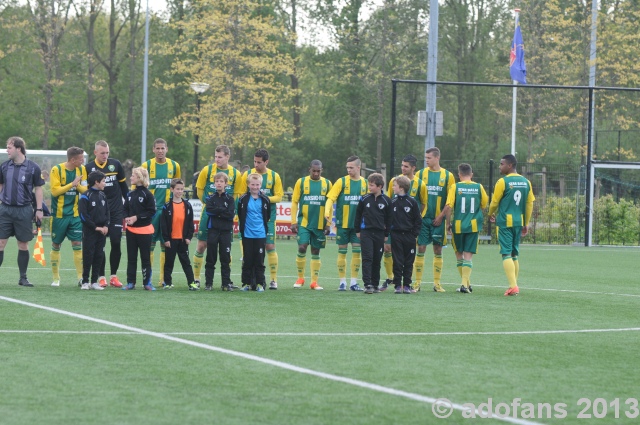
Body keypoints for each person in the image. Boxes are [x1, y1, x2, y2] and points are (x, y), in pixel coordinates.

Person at [192, 145, 242, 288]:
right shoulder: (207, 170)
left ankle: (226, 281)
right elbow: (200, 190)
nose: (217, 159)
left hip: (226, 217)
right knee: (202, 245)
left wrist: (229, 209)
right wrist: (210, 205)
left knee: (225, 250)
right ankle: (196, 279)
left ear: (227, 157)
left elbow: (236, 194)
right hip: (209, 214)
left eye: (220, 157)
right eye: (215, 156)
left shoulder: (235, 174)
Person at [0, 137, 45, 287]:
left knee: (23, 244)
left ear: (18, 148)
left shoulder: (33, 168)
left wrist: (38, 209)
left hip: (24, 210)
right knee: (0, 243)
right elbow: (1, 185)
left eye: (9, 147)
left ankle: (23, 278)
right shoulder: (4, 166)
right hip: (5, 210)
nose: (7, 150)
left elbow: (38, 188)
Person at [488, 154, 535, 296]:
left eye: (501, 164)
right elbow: (529, 204)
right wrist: (526, 222)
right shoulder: (526, 182)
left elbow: (495, 202)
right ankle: (513, 284)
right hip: (518, 222)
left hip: (505, 222)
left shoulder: (502, 182)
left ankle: (513, 286)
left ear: (509, 165)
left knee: (506, 253)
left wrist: (490, 213)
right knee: (514, 254)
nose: (499, 166)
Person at [381, 154, 428, 291]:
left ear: (413, 168)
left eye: (406, 166)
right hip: (395, 231)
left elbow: (423, 204)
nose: (403, 168)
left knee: (409, 259)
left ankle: (408, 283)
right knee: (390, 251)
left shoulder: (420, 185)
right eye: (402, 165)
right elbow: (388, 202)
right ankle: (393, 279)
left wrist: (415, 231)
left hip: (409, 232)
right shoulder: (393, 182)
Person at [237, 149, 283, 290]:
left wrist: (265, 199)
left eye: (259, 162)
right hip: (249, 223)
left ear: (266, 162)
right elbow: (240, 194)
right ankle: (248, 282)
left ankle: (273, 280)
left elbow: (279, 196)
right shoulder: (247, 174)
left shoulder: (274, 176)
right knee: (248, 256)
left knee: (269, 247)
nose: (256, 165)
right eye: (254, 161)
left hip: (266, 219)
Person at [85, 140, 128, 288]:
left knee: (116, 241)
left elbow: (124, 187)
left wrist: (127, 207)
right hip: (99, 211)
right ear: (95, 152)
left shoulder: (115, 164)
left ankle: (114, 276)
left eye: (107, 152)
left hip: (116, 210)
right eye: (102, 153)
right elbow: (87, 190)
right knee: (100, 244)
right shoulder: (88, 167)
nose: (105, 155)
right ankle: (101, 276)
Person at [140, 138, 181, 287]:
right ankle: (148, 279)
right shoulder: (146, 165)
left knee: (166, 245)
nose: (160, 151)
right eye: (157, 148)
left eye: (162, 148)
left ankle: (164, 279)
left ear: (167, 149)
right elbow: (140, 186)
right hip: (151, 212)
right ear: (153, 150)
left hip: (168, 212)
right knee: (149, 244)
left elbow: (178, 185)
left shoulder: (174, 165)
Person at [442, 163, 488, 293]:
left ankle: (465, 284)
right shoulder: (479, 187)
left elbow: (449, 206)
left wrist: (447, 224)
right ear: (471, 174)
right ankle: (465, 284)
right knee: (468, 255)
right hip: (473, 226)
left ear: (459, 175)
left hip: (458, 225)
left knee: (459, 255)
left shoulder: (455, 187)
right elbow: (484, 204)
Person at [414, 147, 455, 292]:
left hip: (439, 219)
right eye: (425, 158)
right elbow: (417, 197)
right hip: (423, 219)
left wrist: (441, 216)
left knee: (438, 249)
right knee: (421, 248)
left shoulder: (448, 176)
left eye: (429, 158)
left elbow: (450, 200)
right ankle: (417, 283)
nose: (426, 160)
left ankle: (437, 284)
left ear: (437, 158)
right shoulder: (420, 174)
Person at [324, 155, 368, 291]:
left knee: (356, 252)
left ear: (358, 167)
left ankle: (353, 282)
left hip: (358, 226)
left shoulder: (365, 183)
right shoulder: (341, 182)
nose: (348, 170)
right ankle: (342, 282)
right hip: (342, 224)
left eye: (351, 167)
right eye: (347, 167)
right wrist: (327, 212)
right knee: (342, 252)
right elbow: (331, 198)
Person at [290, 160, 332, 291]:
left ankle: (314, 282)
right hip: (304, 222)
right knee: (302, 247)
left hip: (320, 224)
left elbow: (329, 204)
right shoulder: (301, 182)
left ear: (321, 170)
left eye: (318, 171)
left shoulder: (327, 183)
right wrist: (293, 221)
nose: (316, 173)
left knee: (316, 250)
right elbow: (295, 202)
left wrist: (328, 223)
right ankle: (300, 278)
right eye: (313, 171)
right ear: (309, 170)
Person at [49, 147, 87, 287]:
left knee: (77, 244)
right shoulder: (56, 170)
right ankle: (56, 278)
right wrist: (72, 184)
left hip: (75, 215)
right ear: (72, 159)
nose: (83, 161)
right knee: (56, 245)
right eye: (80, 158)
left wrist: (76, 186)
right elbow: (55, 192)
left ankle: (81, 278)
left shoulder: (81, 170)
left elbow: (85, 190)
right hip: (59, 216)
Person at [354, 173, 392, 294]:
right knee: (367, 258)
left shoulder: (387, 201)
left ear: (380, 186)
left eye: (371, 185)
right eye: (368, 185)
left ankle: (375, 284)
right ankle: (367, 284)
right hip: (366, 232)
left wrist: (386, 234)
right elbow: (358, 215)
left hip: (380, 234)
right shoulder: (364, 198)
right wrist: (358, 230)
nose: (369, 187)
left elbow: (389, 219)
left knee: (377, 259)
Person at [123, 167, 157, 291]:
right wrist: (127, 218)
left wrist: (136, 217)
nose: (131, 177)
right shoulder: (130, 194)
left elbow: (151, 212)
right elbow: (125, 208)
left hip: (145, 231)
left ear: (139, 178)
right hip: (131, 231)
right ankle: (130, 282)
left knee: (145, 258)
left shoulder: (148, 194)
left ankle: (147, 283)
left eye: (133, 175)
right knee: (131, 257)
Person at [160, 178, 196, 290]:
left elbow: (190, 222)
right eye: (177, 189)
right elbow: (164, 225)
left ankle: (192, 283)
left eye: (181, 189)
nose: (180, 191)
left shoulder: (187, 205)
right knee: (169, 262)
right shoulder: (167, 206)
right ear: (172, 189)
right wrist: (166, 239)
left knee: (186, 262)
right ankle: (167, 282)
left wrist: (189, 237)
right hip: (171, 240)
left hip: (183, 240)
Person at [389, 176, 423, 294]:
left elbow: (418, 219)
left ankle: (407, 285)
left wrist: (414, 234)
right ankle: (398, 285)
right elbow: (388, 219)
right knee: (397, 260)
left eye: (395, 185)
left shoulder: (412, 202)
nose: (393, 187)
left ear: (401, 188)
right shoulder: (392, 202)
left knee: (409, 261)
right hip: (396, 236)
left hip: (409, 236)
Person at [237, 173, 270, 292]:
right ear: (248, 184)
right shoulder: (243, 199)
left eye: (257, 185)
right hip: (247, 234)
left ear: (261, 185)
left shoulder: (265, 199)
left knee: (259, 260)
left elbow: (267, 216)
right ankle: (246, 283)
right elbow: (240, 215)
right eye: (252, 184)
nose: (255, 187)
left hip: (260, 234)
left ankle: (260, 283)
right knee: (248, 259)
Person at [203, 172, 235, 291]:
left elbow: (230, 214)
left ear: (226, 184)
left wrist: (218, 211)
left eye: (221, 181)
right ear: (214, 183)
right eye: (217, 181)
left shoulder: (230, 199)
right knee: (211, 257)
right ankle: (208, 283)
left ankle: (226, 283)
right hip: (213, 230)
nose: (219, 183)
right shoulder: (210, 198)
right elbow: (209, 211)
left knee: (225, 258)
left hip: (226, 232)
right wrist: (222, 211)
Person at [79, 171, 110, 290]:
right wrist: (95, 227)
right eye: (103, 181)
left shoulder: (103, 196)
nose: (105, 184)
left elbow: (108, 212)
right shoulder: (86, 196)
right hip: (90, 231)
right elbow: (83, 215)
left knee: (99, 255)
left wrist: (106, 226)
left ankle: (94, 281)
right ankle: (85, 281)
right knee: (88, 255)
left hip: (102, 231)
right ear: (96, 182)